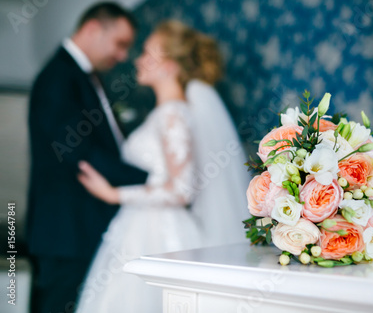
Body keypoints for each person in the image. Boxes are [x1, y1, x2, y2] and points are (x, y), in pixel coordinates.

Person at [75, 20, 250, 312]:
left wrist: (114, 194)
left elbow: (182, 190)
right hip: (145, 227)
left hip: (157, 235)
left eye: (148, 52)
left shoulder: (173, 114)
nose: (139, 59)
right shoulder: (169, 112)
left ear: (170, 66)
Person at [26, 2, 148, 313]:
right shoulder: (59, 77)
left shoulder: (80, 76)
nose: (123, 56)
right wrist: (151, 181)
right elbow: (79, 153)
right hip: (66, 232)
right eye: (120, 44)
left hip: (80, 228)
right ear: (93, 28)